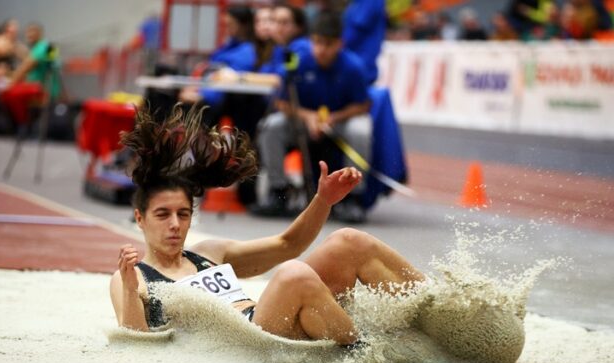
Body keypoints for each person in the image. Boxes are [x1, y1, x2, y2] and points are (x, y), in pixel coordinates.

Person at [110, 106, 424, 345]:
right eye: (163, 215)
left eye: (183, 213)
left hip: (270, 317)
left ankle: (441, 315)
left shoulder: (207, 253)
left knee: (349, 241)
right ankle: (366, 350)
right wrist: (127, 289)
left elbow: (289, 245)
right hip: (246, 344)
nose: (175, 225)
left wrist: (323, 200)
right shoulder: (133, 277)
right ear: (140, 218)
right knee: (293, 274)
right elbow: (136, 340)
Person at [251, 11, 372, 224]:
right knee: (271, 125)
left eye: (328, 44)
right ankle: (279, 191)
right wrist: (307, 116)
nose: (321, 50)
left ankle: (352, 198)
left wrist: (334, 117)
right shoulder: (297, 61)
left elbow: (364, 105)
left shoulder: (353, 66)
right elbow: (280, 102)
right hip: (302, 120)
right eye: (316, 43)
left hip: (338, 122)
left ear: (339, 44)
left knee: (361, 129)